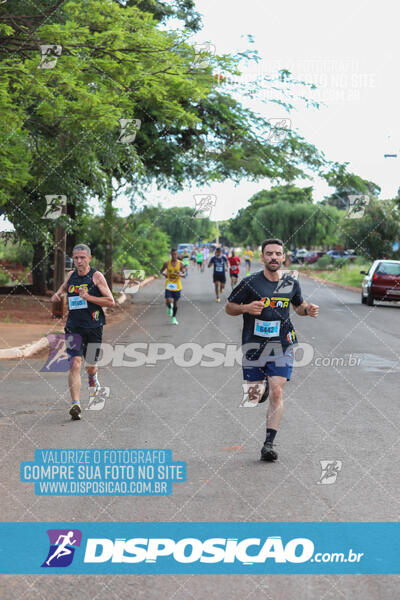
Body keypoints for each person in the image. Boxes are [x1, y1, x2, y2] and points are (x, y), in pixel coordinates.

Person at [225, 238, 319, 461]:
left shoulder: (290, 283)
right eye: (269, 254)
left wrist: (309, 310)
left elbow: (298, 306)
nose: (274, 257)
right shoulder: (250, 284)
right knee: (254, 395)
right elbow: (229, 307)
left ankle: (268, 444)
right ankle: (263, 387)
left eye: (278, 253)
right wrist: (246, 308)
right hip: (254, 345)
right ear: (262, 257)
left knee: (278, 390)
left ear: (283, 257)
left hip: (282, 343)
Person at [51, 244, 115, 421]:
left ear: (89, 258)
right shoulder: (71, 275)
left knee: (90, 366)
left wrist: (88, 298)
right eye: (76, 258)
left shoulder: (96, 276)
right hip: (73, 327)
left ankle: (93, 377)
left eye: (82, 257)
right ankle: (76, 404)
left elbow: (111, 301)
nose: (79, 261)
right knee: (75, 364)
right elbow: (64, 287)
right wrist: (57, 294)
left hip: (94, 327)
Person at [161, 248, 186, 324]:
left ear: (177, 255)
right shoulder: (167, 263)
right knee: (168, 301)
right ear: (171, 255)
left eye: (175, 254)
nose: (174, 256)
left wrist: (180, 274)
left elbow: (185, 274)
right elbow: (161, 271)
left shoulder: (180, 264)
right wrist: (164, 274)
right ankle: (169, 307)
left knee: (175, 303)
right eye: (172, 254)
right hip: (169, 285)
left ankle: (174, 318)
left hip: (177, 286)